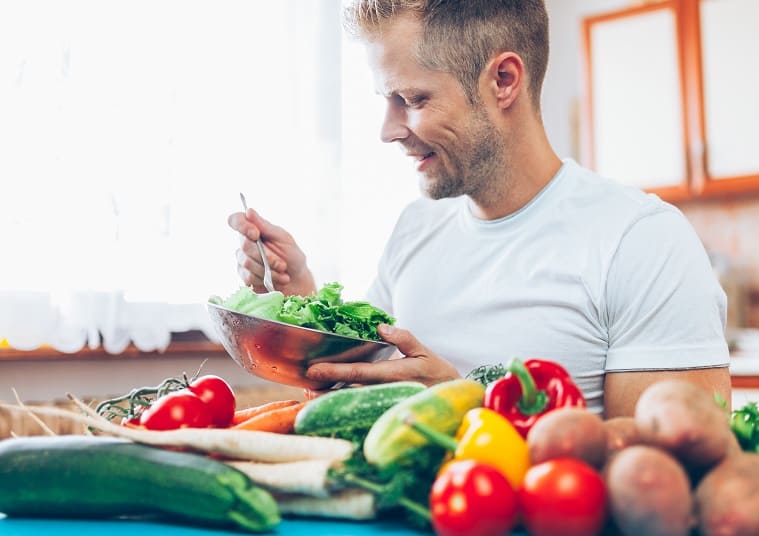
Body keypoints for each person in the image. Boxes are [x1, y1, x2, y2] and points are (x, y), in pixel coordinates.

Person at [228, 0, 731, 418]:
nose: (388, 129)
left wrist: (466, 407)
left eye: (412, 98)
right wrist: (302, 302)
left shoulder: (642, 242)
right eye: (386, 100)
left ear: (504, 80)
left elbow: (661, 475)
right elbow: (357, 385)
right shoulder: (414, 228)